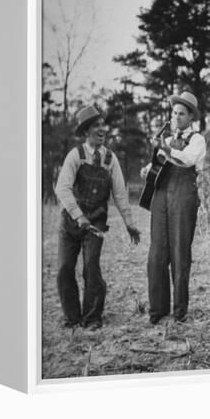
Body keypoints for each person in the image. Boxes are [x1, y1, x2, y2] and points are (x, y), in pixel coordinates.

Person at [55, 105, 141, 330]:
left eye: (103, 125)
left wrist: (130, 223)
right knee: (65, 268)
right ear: (86, 131)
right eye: (96, 126)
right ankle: (72, 317)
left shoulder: (111, 160)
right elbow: (62, 189)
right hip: (70, 223)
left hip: (97, 223)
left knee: (91, 266)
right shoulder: (76, 155)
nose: (102, 130)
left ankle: (92, 317)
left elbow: (120, 194)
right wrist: (78, 215)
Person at [141, 92, 206, 324]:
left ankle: (179, 311)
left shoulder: (198, 140)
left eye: (181, 114)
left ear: (191, 117)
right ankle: (157, 310)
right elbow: (157, 165)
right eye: (174, 113)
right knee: (156, 253)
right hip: (161, 197)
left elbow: (186, 160)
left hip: (184, 196)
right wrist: (147, 169)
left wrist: (166, 150)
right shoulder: (167, 140)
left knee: (180, 253)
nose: (176, 117)